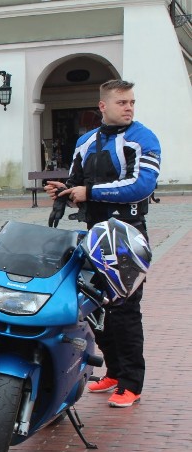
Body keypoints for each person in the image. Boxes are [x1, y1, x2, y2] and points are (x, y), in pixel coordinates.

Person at [45, 79, 159, 408]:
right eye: (122, 102)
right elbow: (76, 183)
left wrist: (90, 193)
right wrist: (64, 192)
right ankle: (113, 371)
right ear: (103, 106)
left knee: (125, 310)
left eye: (132, 102)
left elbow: (142, 186)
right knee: (97, 308)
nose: (129, 108)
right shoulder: (85, 141)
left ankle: (131, 382)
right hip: (94, 234)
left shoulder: (143, 138)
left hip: (128, 233)